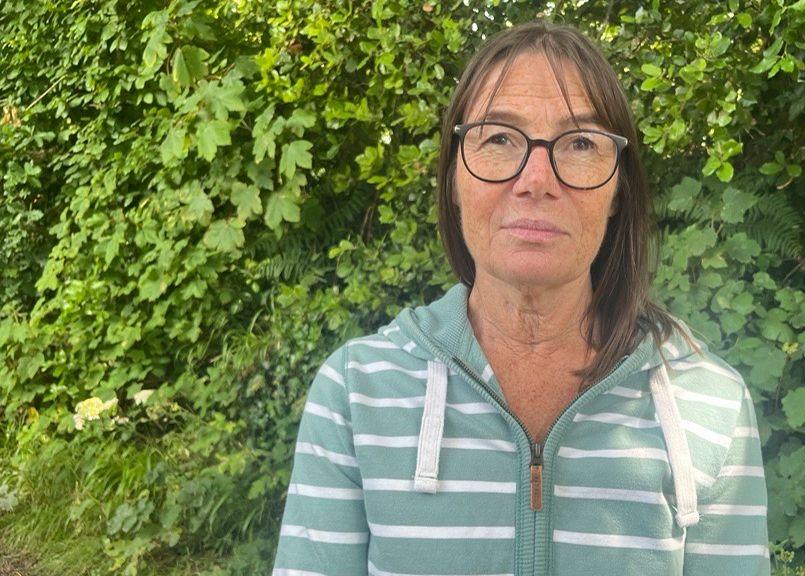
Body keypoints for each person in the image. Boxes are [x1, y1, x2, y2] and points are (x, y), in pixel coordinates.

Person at [271, 19, 770, 576]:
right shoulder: (356, 393)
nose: (536, 180)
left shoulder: (711, 401)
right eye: (499, 137)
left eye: (580, 142)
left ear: (617, 190)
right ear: (454, 180)